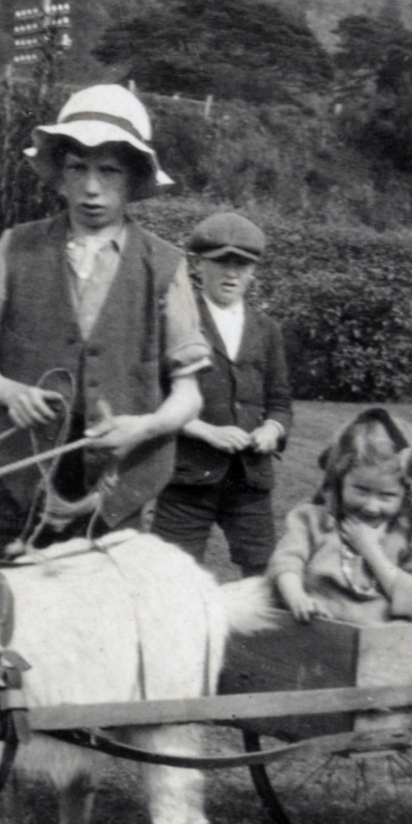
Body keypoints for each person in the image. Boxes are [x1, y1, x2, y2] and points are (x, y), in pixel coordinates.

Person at [0, 84, 209, 562]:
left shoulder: (165, 267)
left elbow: (189, 393)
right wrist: (11, 393)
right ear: (59, 174)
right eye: (78, 169)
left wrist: (145, 426)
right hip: (18, 487)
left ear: (133, 178)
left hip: (116, 498)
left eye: (108, 171)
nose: (92, 188)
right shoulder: (15, 249)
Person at [150, 209, 292, 573]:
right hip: (187, 476)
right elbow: (152, 397)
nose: (231, 273)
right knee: (170, 575)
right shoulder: (177, 319)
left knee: (264, 574)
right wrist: (205, 431)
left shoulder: (267, 330)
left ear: (253, 271)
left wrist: (270, 431)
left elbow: (280, 402)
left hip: (249, 480)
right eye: (221, 262)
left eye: (242, 265)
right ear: (199, 266)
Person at [268, 405, 412, 624]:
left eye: (386, 496)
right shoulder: (312, 520)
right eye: (361, 490)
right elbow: (286, 563)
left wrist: (371, 550)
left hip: (381, 646)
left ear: (407, 495)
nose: (371, 506)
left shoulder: (407, 535)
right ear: (339, 481)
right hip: (316, 636)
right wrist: (297, 597)